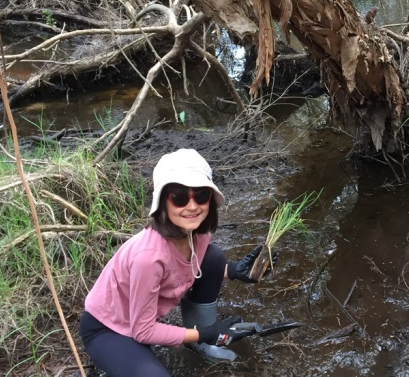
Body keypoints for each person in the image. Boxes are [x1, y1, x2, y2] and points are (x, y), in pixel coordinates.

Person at [80, 148, 273, 376]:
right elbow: (142, 331)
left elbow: (182, 270)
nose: (192, 206)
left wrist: (233, 270)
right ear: (163, 202)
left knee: (214, 259)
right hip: (110, 330)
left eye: (201, 195)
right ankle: (196, 338)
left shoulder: (197, 235)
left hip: (141, 319)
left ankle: (197, 343)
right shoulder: (149, 258)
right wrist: (206, 332)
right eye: (180, 198)